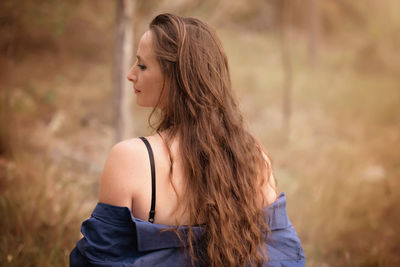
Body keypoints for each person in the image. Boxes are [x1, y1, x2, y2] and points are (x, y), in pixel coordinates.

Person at [70, 13, 305, 267]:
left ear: (176, 78)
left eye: (142, 65)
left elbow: (96, 261)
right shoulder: (251, 155)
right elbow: (284, 256)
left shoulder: (131, 159)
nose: (130, 74)